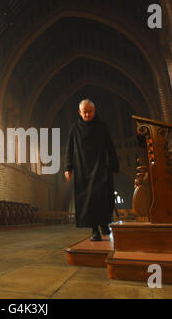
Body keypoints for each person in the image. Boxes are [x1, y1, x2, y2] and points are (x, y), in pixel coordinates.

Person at [64, 99, 119, 241]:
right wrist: (68, 168)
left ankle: (104, 223)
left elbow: (110, 146)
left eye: (90, 112)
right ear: (79, 112)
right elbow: (69, 149)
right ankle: (95, 230)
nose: (87, 114)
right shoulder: (74, 128)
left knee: (103, 196)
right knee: (88, 200)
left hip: (100, 167)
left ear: (94, 111)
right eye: (85, 112)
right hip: (82, 169)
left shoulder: (102, 126)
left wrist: (114, 165)